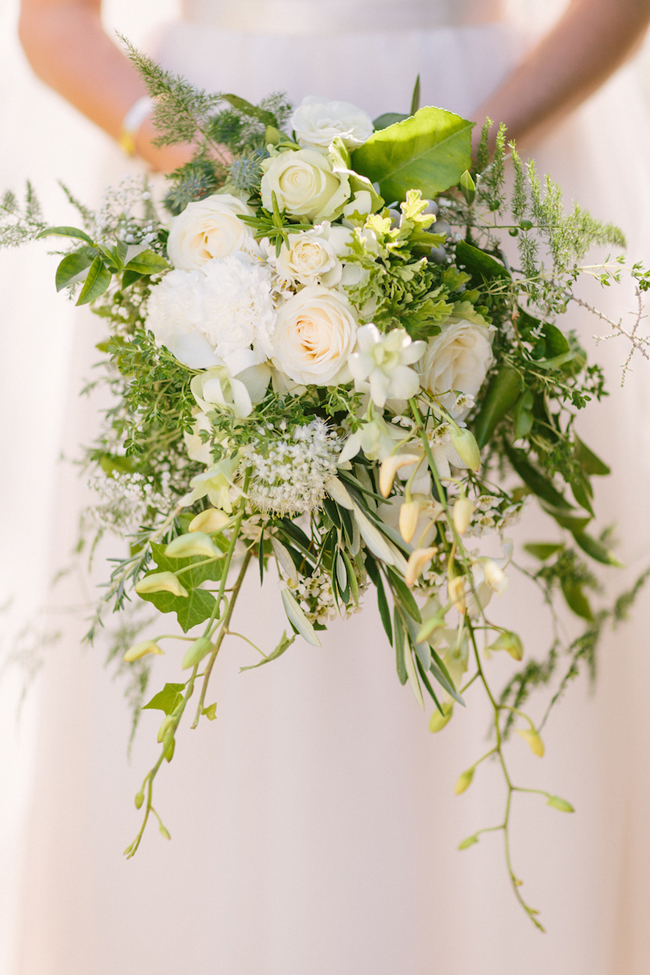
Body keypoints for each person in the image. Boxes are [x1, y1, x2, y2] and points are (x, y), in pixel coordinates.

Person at [6, 1, 650, 973]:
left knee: (479, 592)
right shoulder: (200, 168)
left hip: (481, 146)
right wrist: (197, 168)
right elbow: (54, 25)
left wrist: (465, 157)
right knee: (213, 601)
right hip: (207, 172)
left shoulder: (478, 151)